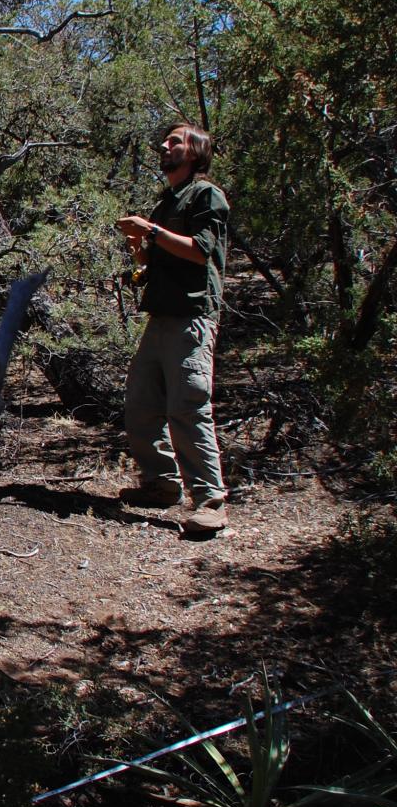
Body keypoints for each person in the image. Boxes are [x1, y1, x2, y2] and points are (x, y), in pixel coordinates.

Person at [116, 124, 230, 536]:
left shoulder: (206, 195)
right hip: (161, 316)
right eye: (166, 142)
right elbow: (154, 261)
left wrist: (150, 229)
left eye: (176, 142)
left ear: (195, 153)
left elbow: (200, 252)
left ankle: (210, 502)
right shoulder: (168, 200)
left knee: (188, 406)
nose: (165, 146)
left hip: (192, 317)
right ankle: (162, 484)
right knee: (141, 403)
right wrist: (140, 248)